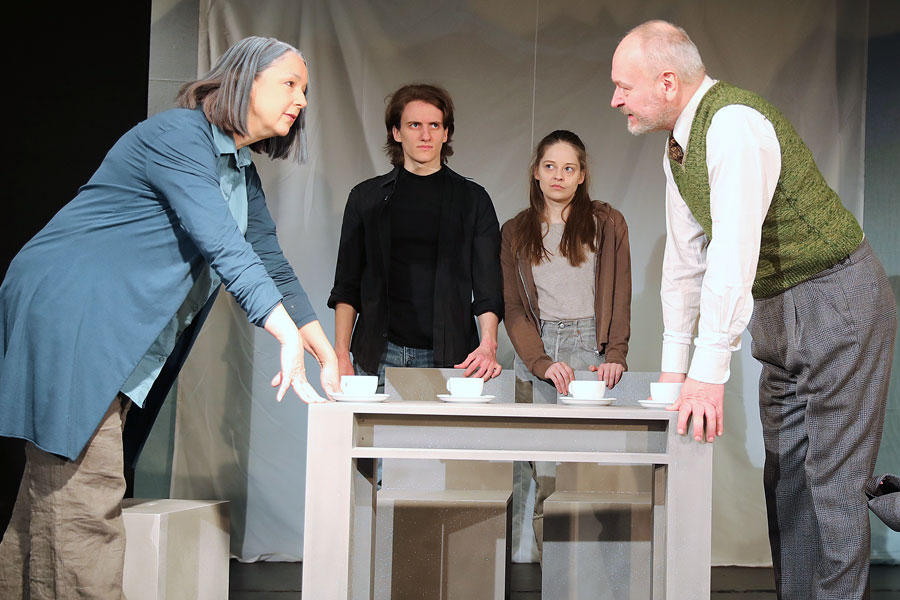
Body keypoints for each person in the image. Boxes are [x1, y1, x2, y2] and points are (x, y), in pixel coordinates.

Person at [0, 36, 340, 598]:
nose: (301, 99)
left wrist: (320, 347)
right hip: (73, 309)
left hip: (110, 323)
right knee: (87, 492)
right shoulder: (177, 136)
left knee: (53, 489)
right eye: (289, 83)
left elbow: (269, 262)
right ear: (244, 79)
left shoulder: (237, 166)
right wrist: (280, 334)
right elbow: (225, 246)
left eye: (305, 89)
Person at [610, 20, 897, 599]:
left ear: (667, 82)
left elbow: (733, 254)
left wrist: (708, 374)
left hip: (835, 297)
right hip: (775, 309)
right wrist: (674, 374)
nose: (615, 99)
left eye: (623, 85)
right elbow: (685, 263)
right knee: (787, 477)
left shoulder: (734, 126)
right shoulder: (677, 150)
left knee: (833, 484)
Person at [500, 129, 631, 553]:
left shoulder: (606, 222)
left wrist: (615, 353)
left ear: (582, 175)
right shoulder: (516, 230)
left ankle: (586, 567)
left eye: (568, 168)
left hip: (589, 345)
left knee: (587, 464)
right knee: (539, 463)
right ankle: (542, 565)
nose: (558, 175)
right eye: (550, 166)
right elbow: (514, 308)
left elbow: (621, 293)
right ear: (536, 173)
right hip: (538, 349)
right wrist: (539, 361)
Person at [329, 83, 504, 389]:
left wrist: (488, 344)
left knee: (446, 439)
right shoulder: (366, 198)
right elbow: (347, 286)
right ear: (396, 132)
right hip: (377, 355)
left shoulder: (472, 200)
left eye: (435, 125)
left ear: (446, 132)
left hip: (452, 357)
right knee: (373, 439)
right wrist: (341, 354)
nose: (426, 135)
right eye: (415, 125)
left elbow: (488, 285)